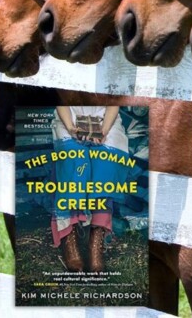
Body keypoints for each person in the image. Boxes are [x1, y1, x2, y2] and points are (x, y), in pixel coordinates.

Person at [51, 106, 126, 273]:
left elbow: (114, 102)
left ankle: (96, 241)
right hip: (69, 117)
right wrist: (71, 128)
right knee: (75, 162)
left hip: (106, 119)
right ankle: (68, 236)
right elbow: (61, 100)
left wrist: (104, 131)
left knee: (105, 165)